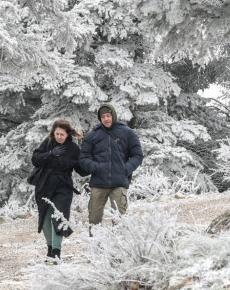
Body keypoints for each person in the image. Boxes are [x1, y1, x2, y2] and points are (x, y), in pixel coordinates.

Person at [78, 103, 144, 232]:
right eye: (103, 116)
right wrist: (95, 167)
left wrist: (125, 169)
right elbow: (83, 157)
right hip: (98, 184)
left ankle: (119, 248)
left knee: (120, 220)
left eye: (108, 115)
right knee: (94, 219)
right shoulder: (93, 135)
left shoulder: (127, 132)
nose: (106, 119)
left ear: (113, 115)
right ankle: (95, 247)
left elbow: (138, 155)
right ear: (100, 118)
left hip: (119, 183)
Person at [30, 119, 85, 263]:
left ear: (68, 134)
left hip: (64, 186)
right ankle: (49, 249)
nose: (59, 137)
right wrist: (50, 154)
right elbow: (35, 159)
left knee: (59, 217)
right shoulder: (48, 143)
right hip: (45, 185)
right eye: (57, 134)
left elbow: (81, 170)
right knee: (46, 218)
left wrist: (91, 162)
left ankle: (56, 251)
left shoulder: (73, 149)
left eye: (62, 134)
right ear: (53, 133)